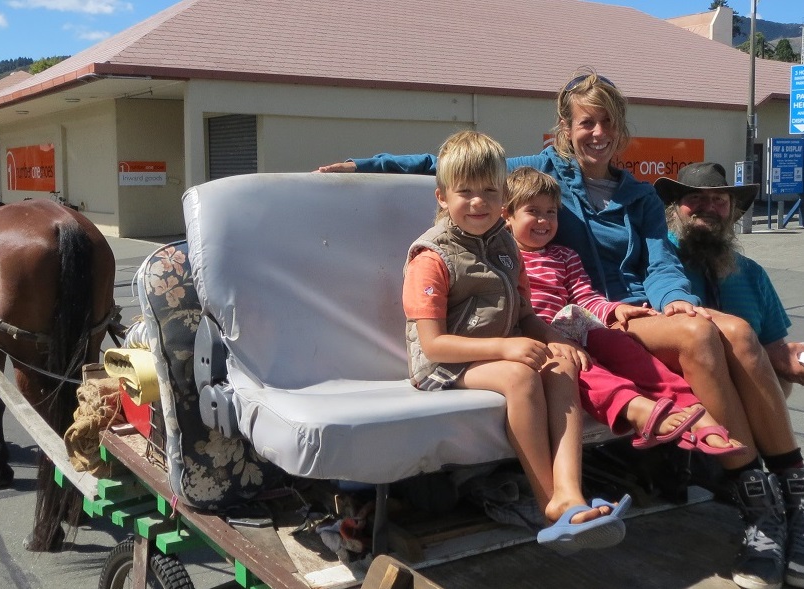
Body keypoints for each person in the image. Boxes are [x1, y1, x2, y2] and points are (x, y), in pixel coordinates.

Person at [317, 70, 804, 589]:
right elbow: (450, 169)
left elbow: (661, 263)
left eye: (608, 123)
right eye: (587, 122)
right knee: (705, 336)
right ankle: (759, 507)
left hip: (632, 311)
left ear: (621, 129)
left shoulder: (638, 196)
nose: (598, 133)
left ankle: (792, 494)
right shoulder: (541, 171)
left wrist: (676, 301)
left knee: (738, 333)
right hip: (580, 317)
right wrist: (365, 165)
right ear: (566, 128)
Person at [403, 130, 630, 555]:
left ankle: (570, 492)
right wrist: (506, 348)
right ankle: (550, 504)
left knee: (561, 366)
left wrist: (555, 338)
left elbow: (524, 313)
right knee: (521, 377)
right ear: (442, 197)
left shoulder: (505, 246)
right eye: (465, 191)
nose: (478, 202)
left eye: (490, 191)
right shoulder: (432, 257)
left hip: (498, 352)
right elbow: (433, 346)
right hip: (444, 365)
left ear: (503, 196)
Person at [503, 166, 743, 456]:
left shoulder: (565, 256)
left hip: (569, 327)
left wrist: (615, 310)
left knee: (620, 343)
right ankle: (635, 407)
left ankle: (690, 406)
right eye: (533, 211)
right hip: (533, 337)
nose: (544, 220)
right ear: (507, 216)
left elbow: (584, 297)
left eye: (551, 212)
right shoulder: (504, 258)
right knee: (580, 367)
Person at [657, 161, 804, 588]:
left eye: (719, 200)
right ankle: (767, 504)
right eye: (695, 199)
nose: (709, 208)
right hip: (685, 402)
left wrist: (795, 360)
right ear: (675, 208)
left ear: (732, 211)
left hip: (749, 408)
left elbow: (774, 349)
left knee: (770, 365)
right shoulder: (657, 263)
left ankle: (789, 504)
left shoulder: (750, 272)